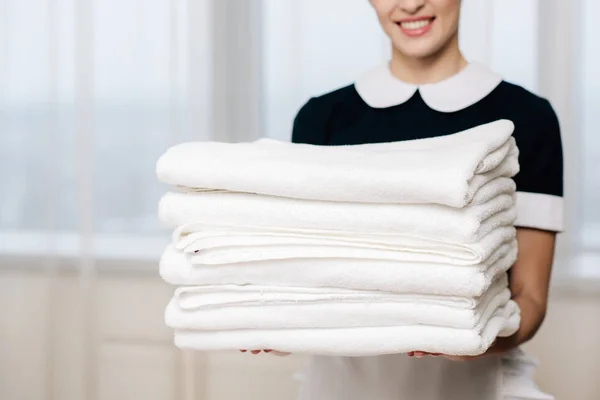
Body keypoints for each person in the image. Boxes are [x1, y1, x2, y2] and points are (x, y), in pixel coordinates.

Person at [245, 0, 563, 398]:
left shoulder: (527, 118)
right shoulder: (321, 118)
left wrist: (475, 340)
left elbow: (529, 297)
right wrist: (276, 324)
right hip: (340, 386)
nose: (410, 3)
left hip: (478, 387)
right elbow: (309, 276)